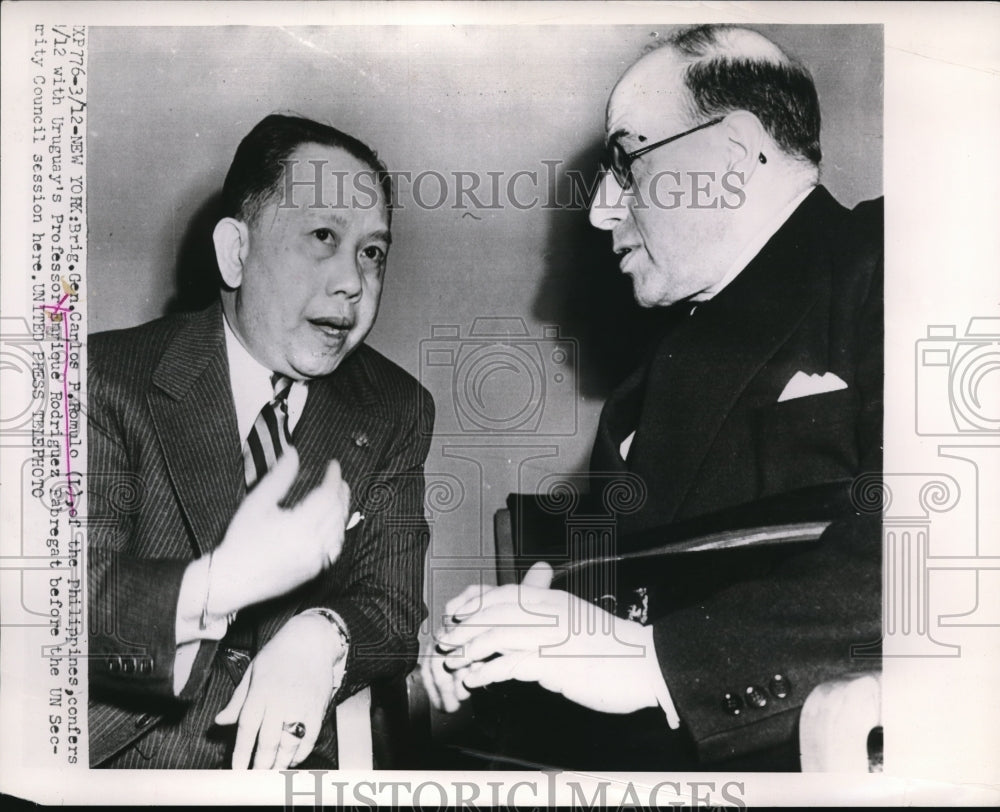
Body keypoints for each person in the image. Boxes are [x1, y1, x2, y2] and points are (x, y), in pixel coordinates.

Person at [423, 24, 882, 770]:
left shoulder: (902, 257)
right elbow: (614, 630)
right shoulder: (636, 399)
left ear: (733, 153)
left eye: (625, 162)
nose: (602, 209)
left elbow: (946, 546)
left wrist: (655, 662)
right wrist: (501, 650)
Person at [88, 114, 434, 769]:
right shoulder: (101, 379)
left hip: (290, 770)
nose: (353, 281)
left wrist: (323, 637)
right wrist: (218, 585)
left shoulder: (395, 407)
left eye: (372, 252)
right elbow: (60, 606)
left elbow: (391, 610)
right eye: (323, 236)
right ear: (235, 253)